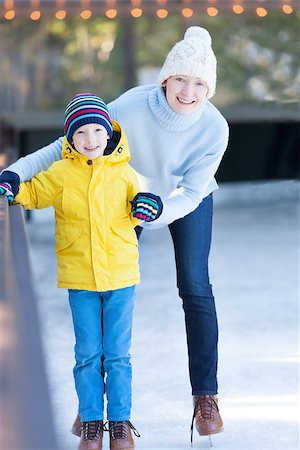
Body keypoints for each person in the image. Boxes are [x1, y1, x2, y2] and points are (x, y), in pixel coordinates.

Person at [0, 26, 229, 442]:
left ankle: (206, 396)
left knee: (195, 287)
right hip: (126, 196)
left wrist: (160, 209)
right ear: (165, 78)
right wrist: (15, 174)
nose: (188, 92)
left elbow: (194, 190)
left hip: (183, 199)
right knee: (105, 286)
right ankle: (91, 409)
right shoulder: (132, 106)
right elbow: (65, 145)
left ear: (209, 89)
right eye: (180, 79)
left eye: (199, 84)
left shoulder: (214, 128)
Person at [1, 93, 162, 450]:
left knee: (118, 354)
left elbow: (146, 205)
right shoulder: (60, 173)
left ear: (108, 134)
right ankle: (91, 423)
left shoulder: (126, 173)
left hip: (121, 277)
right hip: (80, 278)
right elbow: (33, 193)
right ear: (69, 140)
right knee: (87, 353)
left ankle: (119, 423)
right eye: (81, 133)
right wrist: (10, 189)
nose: (90, 139)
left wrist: (149, 206)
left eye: (96, 131)